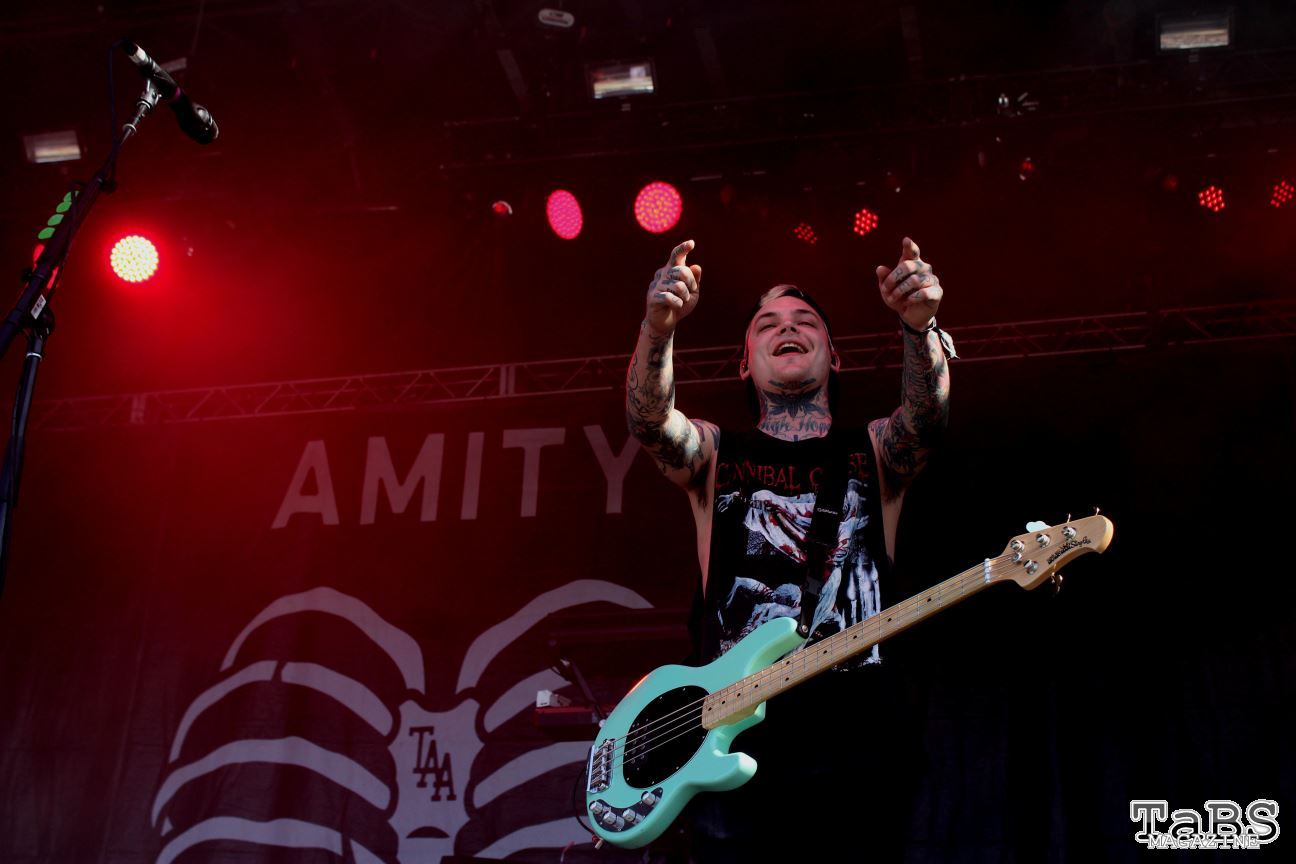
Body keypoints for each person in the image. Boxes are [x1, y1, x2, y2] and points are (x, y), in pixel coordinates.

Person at [624, 237, 954, 861]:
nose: (787, 328)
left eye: (805, 321)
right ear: (745, 363)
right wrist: (657, 328)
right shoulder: (715, 455)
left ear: (834, 355)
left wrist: (919, 329)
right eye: (768, 324)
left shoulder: (874, 450)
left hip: (860, 744)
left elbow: (926, 418)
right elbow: (650, 422)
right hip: (735, 747)